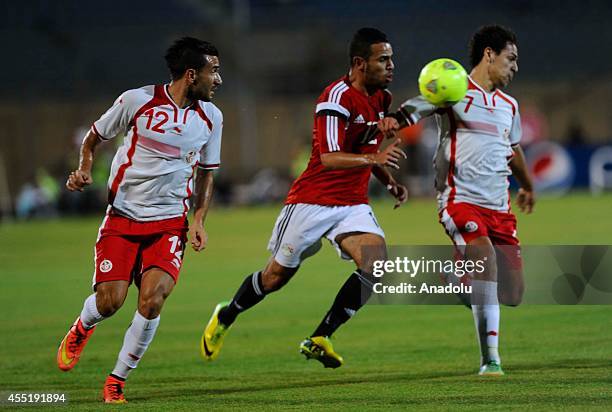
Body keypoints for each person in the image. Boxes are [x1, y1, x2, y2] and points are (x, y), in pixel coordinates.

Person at [201, 27, 407, 368]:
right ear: (359, 63)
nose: (391, 65)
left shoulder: (381, 99)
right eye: (383, 59)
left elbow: (365, 145)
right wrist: (375, 161)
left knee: (376, 262)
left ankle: (320, 336)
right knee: (274, 279)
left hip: (352, 204)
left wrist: (387, 180)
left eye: (391, 59)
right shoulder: (335, 98)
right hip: (312, 201)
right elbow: (330, 157)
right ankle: (228, 314)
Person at [56, 37, 223, 403]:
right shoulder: (137, 100)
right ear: (191, 74)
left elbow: (208, 172)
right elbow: (92, 139)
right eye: (214, 71)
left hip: (169, 224)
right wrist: (83, 170)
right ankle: (83, 326)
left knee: (152, 301)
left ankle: (117, 379)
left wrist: (199, 219)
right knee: (110, 301)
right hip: (123, 217)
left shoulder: (212, 117)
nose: (219, 79)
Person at [381, 25, 534, 376]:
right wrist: (397, 119)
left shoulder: (509, 106)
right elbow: (421, 104)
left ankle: (454, 278)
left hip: (500, 209)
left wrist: (528, 186)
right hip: (459, 200)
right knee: (484, 263)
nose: (515, 67)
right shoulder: (456, 89)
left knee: (513, 294)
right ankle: (490, 360)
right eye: (511, 59)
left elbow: (514, 151)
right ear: (489, 54)